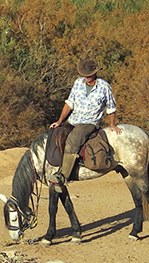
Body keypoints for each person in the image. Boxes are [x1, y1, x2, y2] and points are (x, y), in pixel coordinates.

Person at [49, 59, 122, 189]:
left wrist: (112, 124)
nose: (87, 77)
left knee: (73, 140)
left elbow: (111, 107)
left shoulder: (104, 86)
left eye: (89, 74)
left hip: (89, 122)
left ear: (95, 73)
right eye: (85, 74)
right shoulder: (78, 83)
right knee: (57, 135)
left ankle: (63, 177)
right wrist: (60, 121)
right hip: (73, 119)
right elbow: (69, 103)